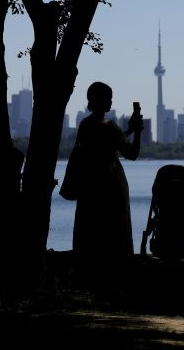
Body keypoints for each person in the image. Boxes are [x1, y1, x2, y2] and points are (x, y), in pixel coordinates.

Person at [71, 81, 143, 282]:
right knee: (115, 235)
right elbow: (132, 153)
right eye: (108, 98)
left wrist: (127, 131)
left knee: (90, 234)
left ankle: (90, 278)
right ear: (101, 101)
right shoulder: (109, 126)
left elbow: (109, 142)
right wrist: (137, 131)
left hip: (89, 188)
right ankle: (116, 279)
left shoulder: (85, 125)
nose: (111, 101)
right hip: (112, 188)